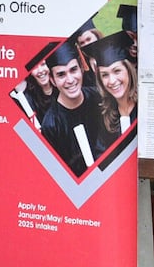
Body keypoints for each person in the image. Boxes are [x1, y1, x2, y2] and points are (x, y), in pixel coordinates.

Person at [38, 41, 113, 178]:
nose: (70, 80)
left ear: (81, 69)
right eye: (61, 74)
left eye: (73, 70)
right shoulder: (50, 126)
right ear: (53, 80)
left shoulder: (100, 98)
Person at [86, 32, 138, 139]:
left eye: (117, 71)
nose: (112, 81)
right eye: (104, 75)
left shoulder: (143, 106)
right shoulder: (107, 116)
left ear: (128, 70)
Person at [12, 41, 56, 130]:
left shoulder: (63, 89)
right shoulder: (28, 96)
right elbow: (21, 129)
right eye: (35, 67)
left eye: (43, 64)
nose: (40, 70)